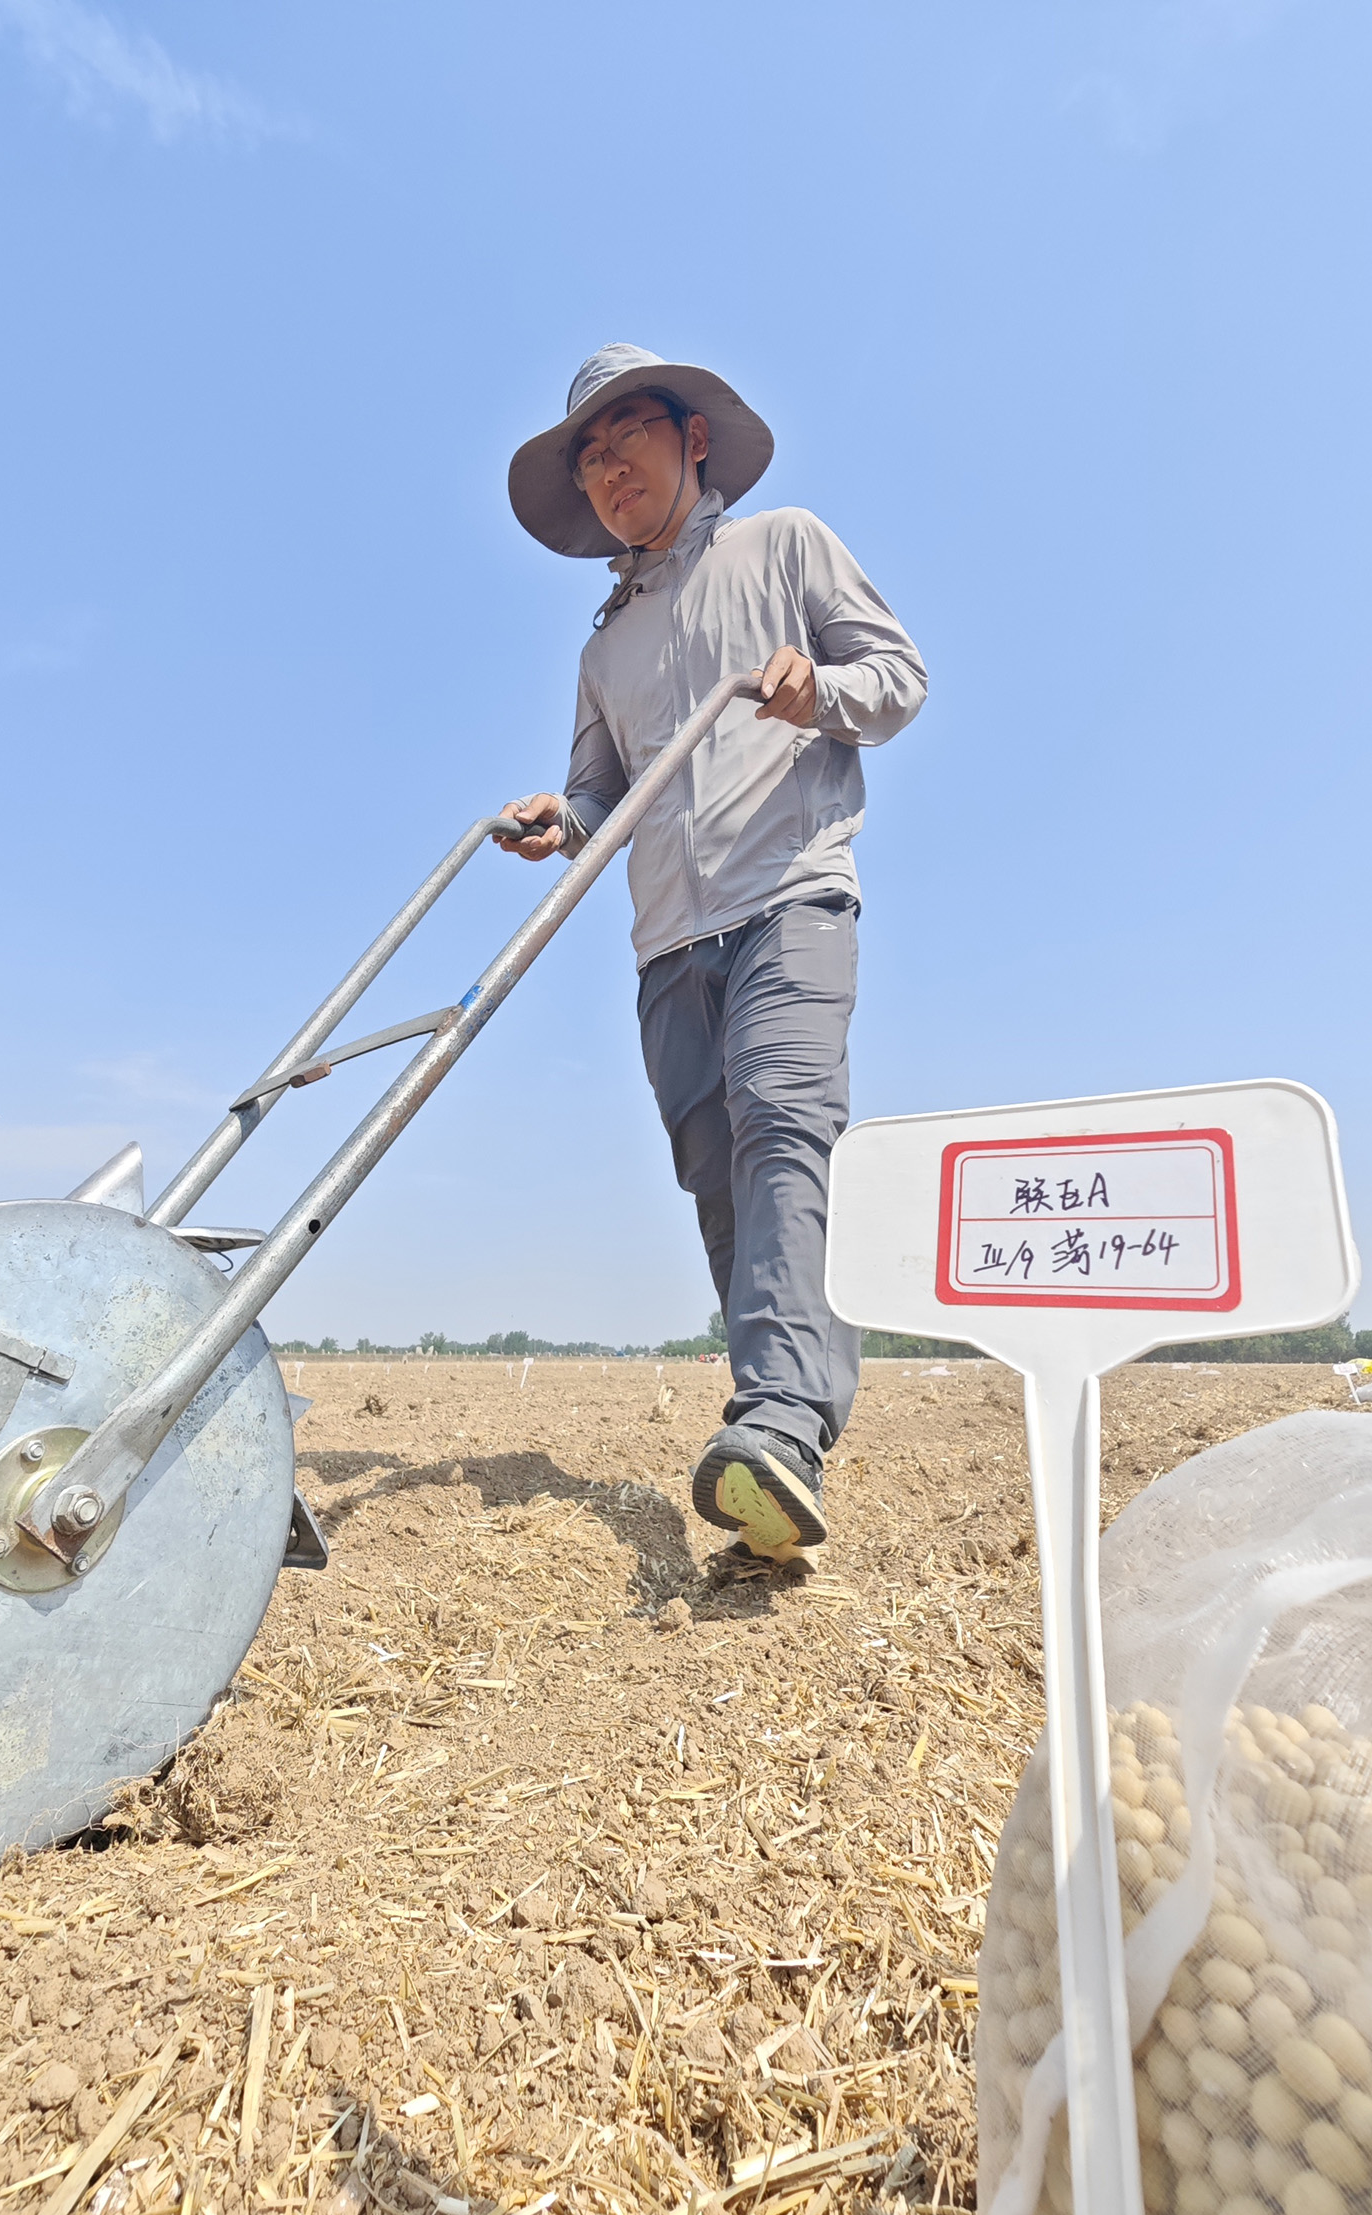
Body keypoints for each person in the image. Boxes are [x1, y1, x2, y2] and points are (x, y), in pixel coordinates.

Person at [498, 344, 928, 1565]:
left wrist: (817, 691)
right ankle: (778, 1454)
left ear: (692, 437)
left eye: (624, 431)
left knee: (785, 1127)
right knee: (720, 1180)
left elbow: (898, 679)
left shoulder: (786, 546)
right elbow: (600, 792)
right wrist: (558, 820)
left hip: (788, 891)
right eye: (585, 453)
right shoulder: (604, 648)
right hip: (664, 943)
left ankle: (781, 1422)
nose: (605, 463)